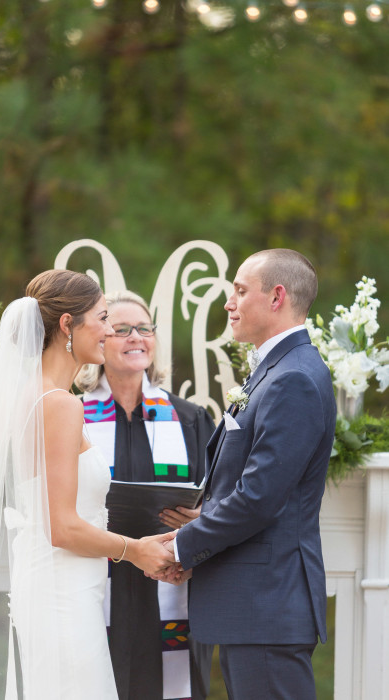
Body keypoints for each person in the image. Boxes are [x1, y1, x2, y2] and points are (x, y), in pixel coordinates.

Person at [0, 269, 175, 700]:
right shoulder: (59, 405)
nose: (110, 330)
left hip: (59, 587)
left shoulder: (31, 396)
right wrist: (136, 550)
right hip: (63, 595)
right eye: (102, 318)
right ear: (67, 326)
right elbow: (62, 527)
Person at [162, 249, 337, 700]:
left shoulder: (293, 378)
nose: (229, 303)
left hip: (268, 604)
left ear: (277, 296)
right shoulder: (276, 370)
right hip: (257, 605)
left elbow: (259, 496)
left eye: (240, 291)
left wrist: (185, 547)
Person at [76, 289, 215, 700]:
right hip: (98, 571)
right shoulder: (74, 415)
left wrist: (201, 518)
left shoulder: (190, 419)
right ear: (100, 341)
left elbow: (218, 498)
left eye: (144, 328)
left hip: (171, 573)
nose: (136, 337)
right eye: (121, 329)